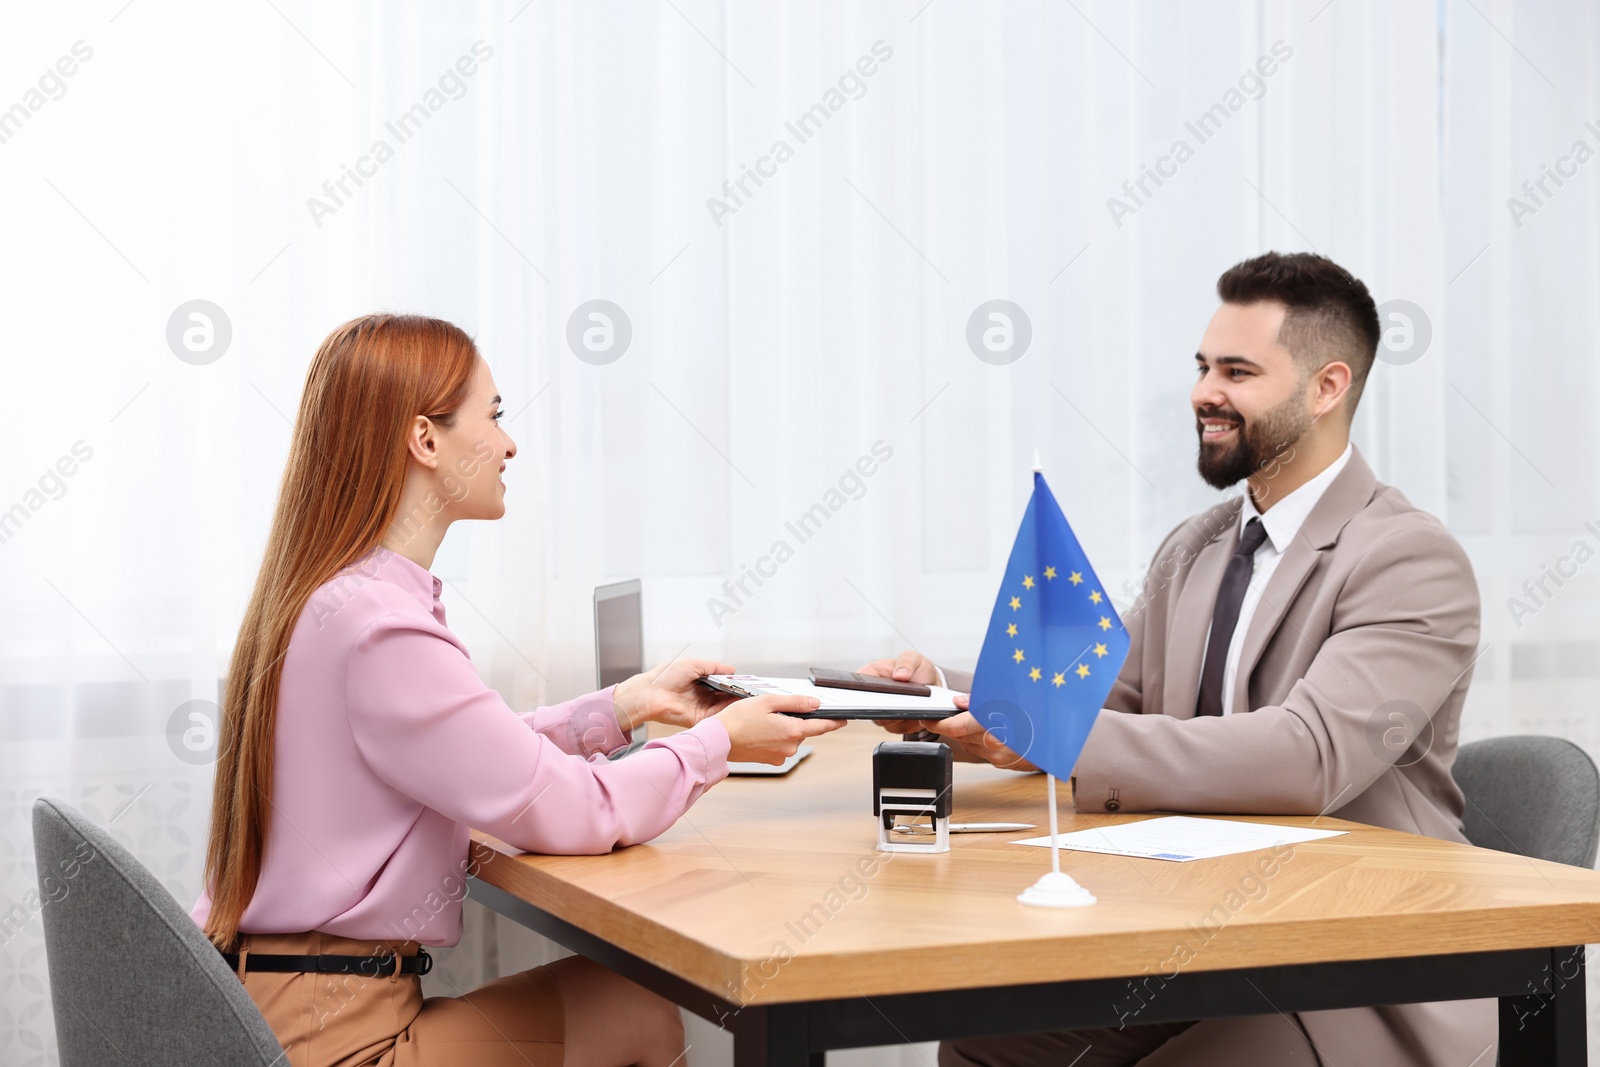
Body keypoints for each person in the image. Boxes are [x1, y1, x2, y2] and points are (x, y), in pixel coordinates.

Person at [862, 253, 1493, 1067]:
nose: (1203, 391)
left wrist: (1052, 732)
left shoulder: (1408, 559)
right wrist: (945, 701)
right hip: (1202, 932)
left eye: (1236, 370)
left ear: (1328, 387)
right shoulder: (1195, 548)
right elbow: (1099, 699)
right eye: (1202, 367)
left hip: (1345, 966)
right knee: (987, 1046)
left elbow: (1307, 758)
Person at [193, 313, 845, 1067]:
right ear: (425, 440)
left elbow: (481, 753)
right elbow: (578, 810)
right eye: (495, 416)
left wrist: (627, 705)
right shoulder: (380, 629)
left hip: (280, 1008)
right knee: (637, 1005)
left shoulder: (342, 599)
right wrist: (717, 744)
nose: (509, 443)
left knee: (629, 999)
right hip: (338, 1041)